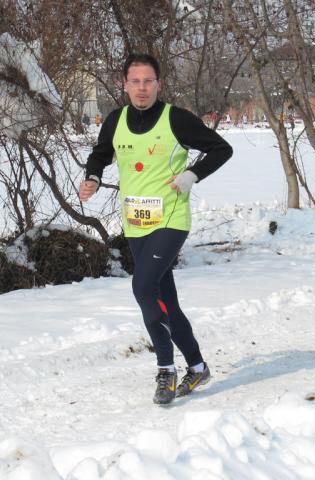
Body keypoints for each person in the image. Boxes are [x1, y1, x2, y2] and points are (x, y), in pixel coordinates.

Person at [79, 53, 233, 404]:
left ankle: (166, 369)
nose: (142, 88)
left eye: (148, 81)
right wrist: (92, 177)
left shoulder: (175, 118)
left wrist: (192, 175)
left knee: (143, 285)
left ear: (158, 84)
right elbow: (101, 154)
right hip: (135, 222)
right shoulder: (116, 120)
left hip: (171, 219)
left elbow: (221, 149)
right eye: (135, 81)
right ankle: (196, 366)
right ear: (125, 84)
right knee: (164, 300)